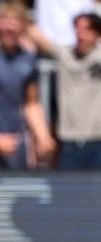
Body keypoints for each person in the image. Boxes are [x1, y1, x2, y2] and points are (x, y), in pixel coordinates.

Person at [0, 0, 57, 170]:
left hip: (17, 142)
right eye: (4, 22)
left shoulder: (28, 59)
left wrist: (43, 136)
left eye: (14, 22)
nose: (8, 28)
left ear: (23, 26)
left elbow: (31, 103)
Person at [26, 14, 101, 169]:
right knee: (68, 192)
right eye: (77, 29)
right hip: (68, 143)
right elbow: (38, 38)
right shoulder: (64, 54)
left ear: (97, 34)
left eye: (87, 29)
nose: (80, 34)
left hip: (97, 142)